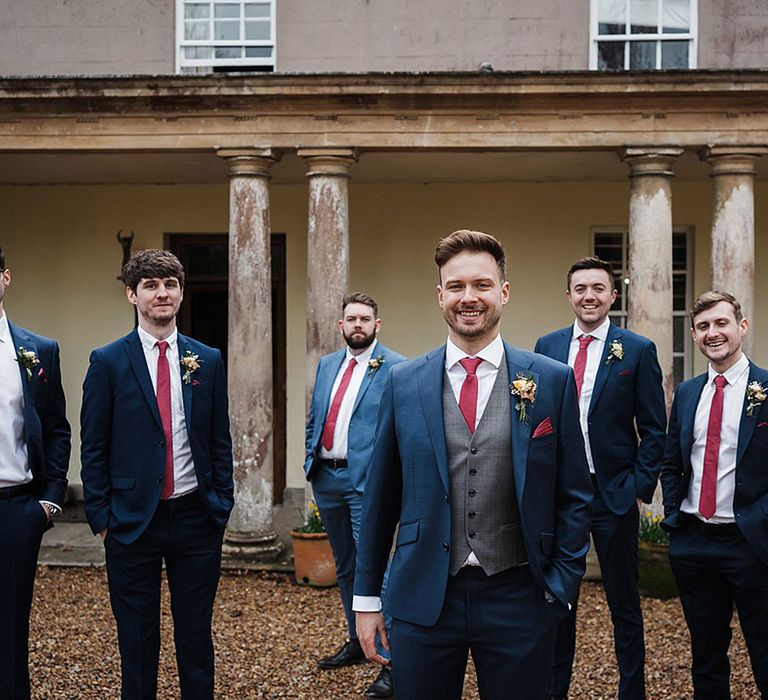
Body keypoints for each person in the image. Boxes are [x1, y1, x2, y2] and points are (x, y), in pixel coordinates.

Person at [354, 230, 592, 700]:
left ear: (503, 292)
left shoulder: (550, 379)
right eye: (457, 286)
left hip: (520, 595)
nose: (470, 298)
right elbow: (380, 497)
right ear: (440, 295)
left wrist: (559, 587)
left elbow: (575, 494)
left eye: (482, 285)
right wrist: (366, 600)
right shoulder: (403, 383)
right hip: (423, 596)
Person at [80, 249, 234, 700]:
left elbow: (219, 438)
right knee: (138, 639)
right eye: (150, 285)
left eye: (169, 284)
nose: (161, 293)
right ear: (132, 294)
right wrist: (103, 519)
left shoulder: (207, 359)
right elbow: (94, 447)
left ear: (181, 292)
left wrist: (220, 504)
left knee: (195, 636)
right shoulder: (107, 361)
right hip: (131, 522)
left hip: (195, 517)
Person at [534, 256, 666, 700]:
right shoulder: (546, 346)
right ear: (569, 295)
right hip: (560, 496)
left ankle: (632, 692)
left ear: (613, 295)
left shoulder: (637, 349)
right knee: (558, 600)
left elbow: (654, 431)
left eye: (598, 288)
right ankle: (554, 691)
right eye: (580, 288)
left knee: (624, 605)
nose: (589, 296)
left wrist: (636, 490)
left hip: (613, 494)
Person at [660, 290, 768, 698]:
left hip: (751, 544)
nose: (713, 333)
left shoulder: (766, 388)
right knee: (706, 655)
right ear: (693, 334)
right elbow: (672, 460)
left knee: (764, 649)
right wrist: (674, 515)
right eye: (703, 326)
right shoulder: (688, 393)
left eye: (721, 323)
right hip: (694, 543)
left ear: (741, 326)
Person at [304, 292, 405, 699]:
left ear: (376, 325)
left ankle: (388, 659)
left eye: (365, 318)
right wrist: (310, 454)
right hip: (326, 478)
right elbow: (316, 415)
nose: (358, 325)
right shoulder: (328, 364)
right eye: (351, 319)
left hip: (367, 483)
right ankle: (356, 639)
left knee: (374, 566)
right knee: (346, 566)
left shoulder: (394, 367)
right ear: (341, 325)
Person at [0, 246, 71, 700]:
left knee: (10, 628)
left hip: (14, 509)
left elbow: (58, 428)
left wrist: (48, 500)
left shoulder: (36, 350)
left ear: (5, 278)